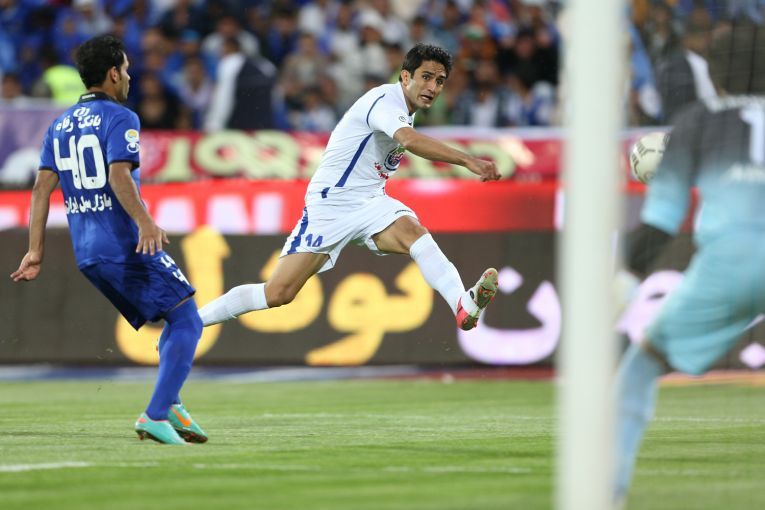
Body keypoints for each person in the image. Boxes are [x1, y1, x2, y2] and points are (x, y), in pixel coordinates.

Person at [199, 43, 501, 334]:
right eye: (426, 77)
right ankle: (193, 321)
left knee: (415, 233)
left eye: (440, 81)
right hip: (332, 204)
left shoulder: (406, 109)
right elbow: (409, 140)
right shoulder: (385, 101)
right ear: (405, 76)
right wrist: (468, 160)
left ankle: (463, 304)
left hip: (370, 201)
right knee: (278, 293)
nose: (433, 87)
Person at [10, 35, 205, 446]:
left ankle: (170, 403)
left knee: (174, 315)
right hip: (123, 243)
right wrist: (146, 222)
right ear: (113, 73)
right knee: (188, 319)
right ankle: (156, 414)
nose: (130, 77)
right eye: (127, 70)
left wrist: (35, 251)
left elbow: (41, 190)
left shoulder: (59, 126)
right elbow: (118, 176)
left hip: (87, 253)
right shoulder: (121, 117)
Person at [614, 21, 765, 502]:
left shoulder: (697, 121)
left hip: (731, 262)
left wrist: (624, 278)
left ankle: (606, 492)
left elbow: (661, 222)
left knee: (642, 367)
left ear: (714, 75)